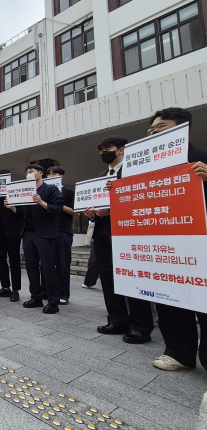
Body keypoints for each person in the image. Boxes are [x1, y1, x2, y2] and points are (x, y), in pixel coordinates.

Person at [142, 108, 207, 371]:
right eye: (153, 129)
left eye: (162, 126)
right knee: (171, 298)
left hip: (200, 242)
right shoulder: (148, 164)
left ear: (184, 128)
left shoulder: (202, 156)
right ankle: (179, 352)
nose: (155, 132)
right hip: (165, 243)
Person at [84, 136, 154, 343]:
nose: (103, 153)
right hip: (104, 234)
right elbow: (98, 208)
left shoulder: (136, 171)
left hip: (129, 233)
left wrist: (112, 211)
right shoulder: (101, 177)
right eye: (101, 150)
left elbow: (140, 200)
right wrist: (93, 214)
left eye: (108, 149)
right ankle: (117, 320)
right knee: (107, 277)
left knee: (133, 278)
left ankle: (141, 326)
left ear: (121, 150)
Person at [14, 164, 63, 314]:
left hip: (45, 233)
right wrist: (13, 208)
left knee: (48, 268)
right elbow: (22, 212)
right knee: (31, 267)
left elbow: (58, 208)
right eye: (27, 171)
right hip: (28, 234)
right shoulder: (25, 191)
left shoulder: (50, 189)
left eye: (31, 171)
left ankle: (53, 301)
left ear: (40, 173)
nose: (28, 173)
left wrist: (42, 203)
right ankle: (36, 297)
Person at [45, 166, 78, 304]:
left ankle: (63, 294)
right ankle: (47, 292)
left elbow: (76, 212)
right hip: (46, 231)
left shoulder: (68, 191)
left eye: (55, 174)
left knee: (63, 263)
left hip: (63, 231)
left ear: (62, 176)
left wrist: (58, 205)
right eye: (49, 174)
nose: (51, 176)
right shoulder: (43, 191)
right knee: (47, 264)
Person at [0, 170, 24, 302]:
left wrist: (13, 208)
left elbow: (23, 214)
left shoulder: (15, 192)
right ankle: (5, 287)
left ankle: (16, 289)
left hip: (13, 232)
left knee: (14, 260)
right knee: (0, 260)